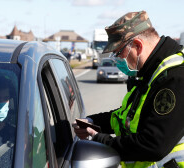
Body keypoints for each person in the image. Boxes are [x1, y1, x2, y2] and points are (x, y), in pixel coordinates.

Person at [73, 11, 184, 168]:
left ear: (138, 46)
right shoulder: (150, 74)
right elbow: (125, 117)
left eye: (118, 53)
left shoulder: (176, 77)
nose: (117, 60)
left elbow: (154, 145)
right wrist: (92, 122)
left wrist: (98, 138)